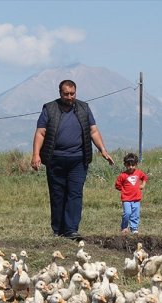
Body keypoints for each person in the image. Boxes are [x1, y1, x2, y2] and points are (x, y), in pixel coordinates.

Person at [31, 79, 115, 239]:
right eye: (66, 94)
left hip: (78, 160)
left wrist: (103, 150)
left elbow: (93, 131)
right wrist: (36, 155)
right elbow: (40, 132)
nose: (69, 97)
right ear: (60, 93)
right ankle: (57, 230)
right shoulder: (49, 108)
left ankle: (71, 230)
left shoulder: (84, 108)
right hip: (55, 159)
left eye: (72, 94)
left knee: (75, 193)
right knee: (57, 194)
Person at [115, 153, 147, 234]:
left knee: (135, 214)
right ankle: (124, 227)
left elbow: (144, 177)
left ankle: (134, 228)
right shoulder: (123, 175)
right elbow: (117, 185)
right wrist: (124, 190)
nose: (131, 167)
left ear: (136, 164)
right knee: (127, 213)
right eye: (128, 165)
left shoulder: (139, 173)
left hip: (136, 198)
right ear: (125, 165)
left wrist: (143, 185)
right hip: (126, 199)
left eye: (133, 165)